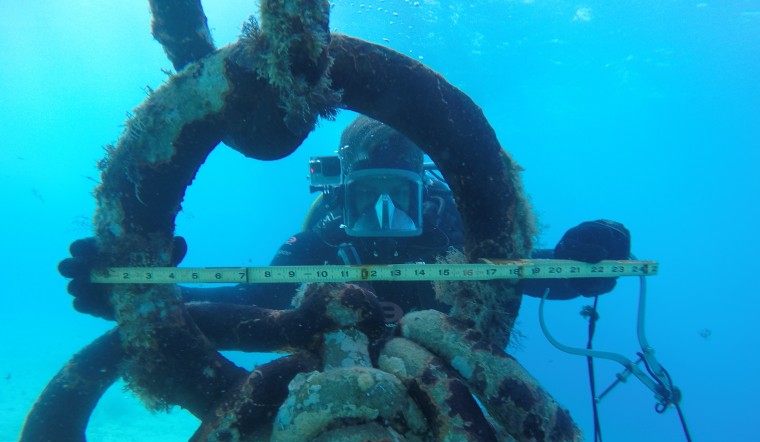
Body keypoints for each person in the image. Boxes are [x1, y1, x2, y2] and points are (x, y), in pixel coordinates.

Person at [59, 115, 631, 324]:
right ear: (339, 196)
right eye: (366, 198)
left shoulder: (447, 227)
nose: (383, 215)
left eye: (399, 197)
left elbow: (517, 271)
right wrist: (148, 297)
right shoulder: (320, 244)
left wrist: (579, 266)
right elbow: (244, 302)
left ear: (425, 192)